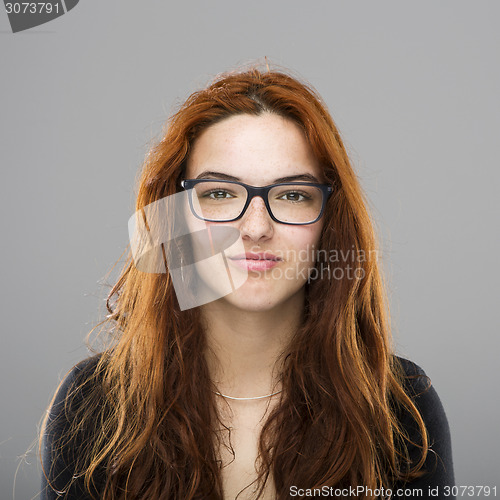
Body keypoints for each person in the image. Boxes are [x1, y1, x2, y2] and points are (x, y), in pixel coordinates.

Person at [40, 62, 455, 500]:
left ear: (330, 221)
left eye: (293, 194)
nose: (256, 228)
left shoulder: (401, 406)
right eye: (220, 194)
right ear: (174, 215)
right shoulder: (93, 405)